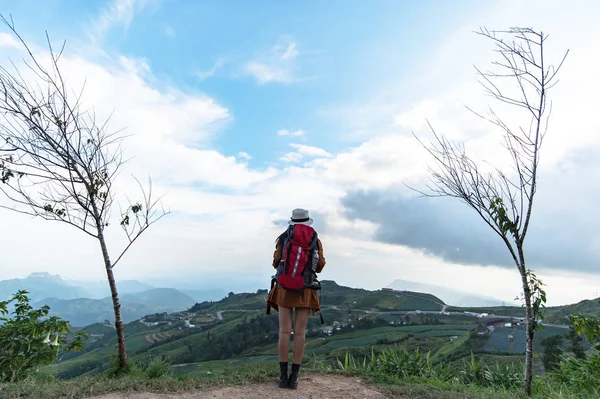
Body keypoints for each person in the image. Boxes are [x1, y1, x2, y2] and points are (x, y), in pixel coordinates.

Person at [266, 208, 326, 389]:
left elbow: (276, 262)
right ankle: (295, 377)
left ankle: (282, 376)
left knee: (284, 331)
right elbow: (320, 266)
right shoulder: (315, 239)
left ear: (292, 221)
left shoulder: (284, 238)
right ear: (308, 221)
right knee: (300, 333)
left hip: (285, 288)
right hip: (305, 290)